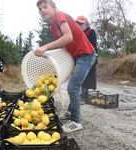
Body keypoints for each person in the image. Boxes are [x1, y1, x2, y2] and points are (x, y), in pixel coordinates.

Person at [35, 0, 96, 133]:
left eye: (45, 7)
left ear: (54, 7)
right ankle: (70, 111)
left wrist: (45, 47)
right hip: (77, 56)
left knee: (73, 87)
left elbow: (68, 37)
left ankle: (75, 121)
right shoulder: (52, 27)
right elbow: (65, 45)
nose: (42, 10)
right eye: (40, 9)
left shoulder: (59, 16)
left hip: (86, 55)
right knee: (72, 86)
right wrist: (52, 56)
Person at [76, 16, 97, 104]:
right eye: (78, 23)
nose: (79, 25)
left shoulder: (91, 32)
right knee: (81, 77)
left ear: (86, 23)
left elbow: (94, 46)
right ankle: (83, 95)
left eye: (81, 23)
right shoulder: (78, 33)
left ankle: (84, 96)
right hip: (80, 57)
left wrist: (95, 58)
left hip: (89, 57)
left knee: (87, 77)